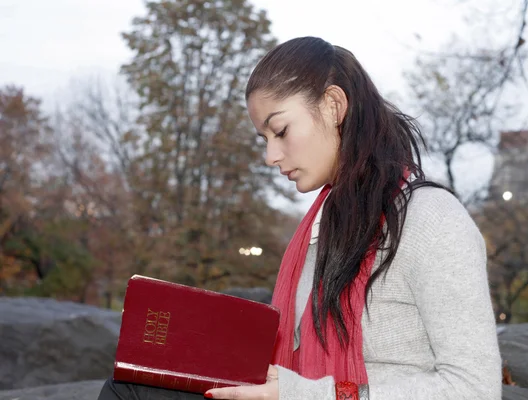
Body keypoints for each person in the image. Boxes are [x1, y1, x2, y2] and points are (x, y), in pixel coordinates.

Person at [98, 36, 502, 400]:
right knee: (132, 385)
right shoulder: (325, 225)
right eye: (264, 139)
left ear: (333, 105)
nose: (270, 157)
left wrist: (307, 394)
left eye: (280, 130)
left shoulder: (431, 219)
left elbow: (474, 389)